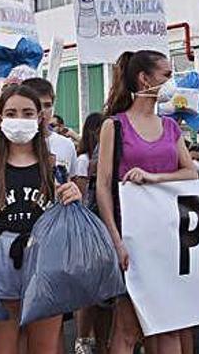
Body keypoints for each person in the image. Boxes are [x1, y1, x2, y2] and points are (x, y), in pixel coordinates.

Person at [95, 50, 198, 354]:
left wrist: (155, 178)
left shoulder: (170, 127)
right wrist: (116, 241)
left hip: (169, 236)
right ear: (144, 78)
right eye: (166, 75)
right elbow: (103, 187)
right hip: (132, 238)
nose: (171, 81)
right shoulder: (114, 126)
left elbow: (190, 173)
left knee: (169, 324)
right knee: (127, 329)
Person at [0, 84, 82, 354]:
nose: (20, 118)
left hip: (45, 267)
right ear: (0, 118)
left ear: (40, 117)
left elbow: (67, 220)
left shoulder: (55, 167)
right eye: (12, 112)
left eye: (28, 112)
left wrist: (73, 196)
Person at [70, 111, 111, 354]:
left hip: (106, 230)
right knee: (88, 295)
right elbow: (84, 196)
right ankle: (83, 338)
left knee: (106, 297)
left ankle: (103, 340)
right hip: (89, 231)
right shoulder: (84, 160)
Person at [21, 78, 78, 184]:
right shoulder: (12, 144)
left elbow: (71, 182)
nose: (42, 111)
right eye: (37, 104)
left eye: (47, 105)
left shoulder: (66, 145)